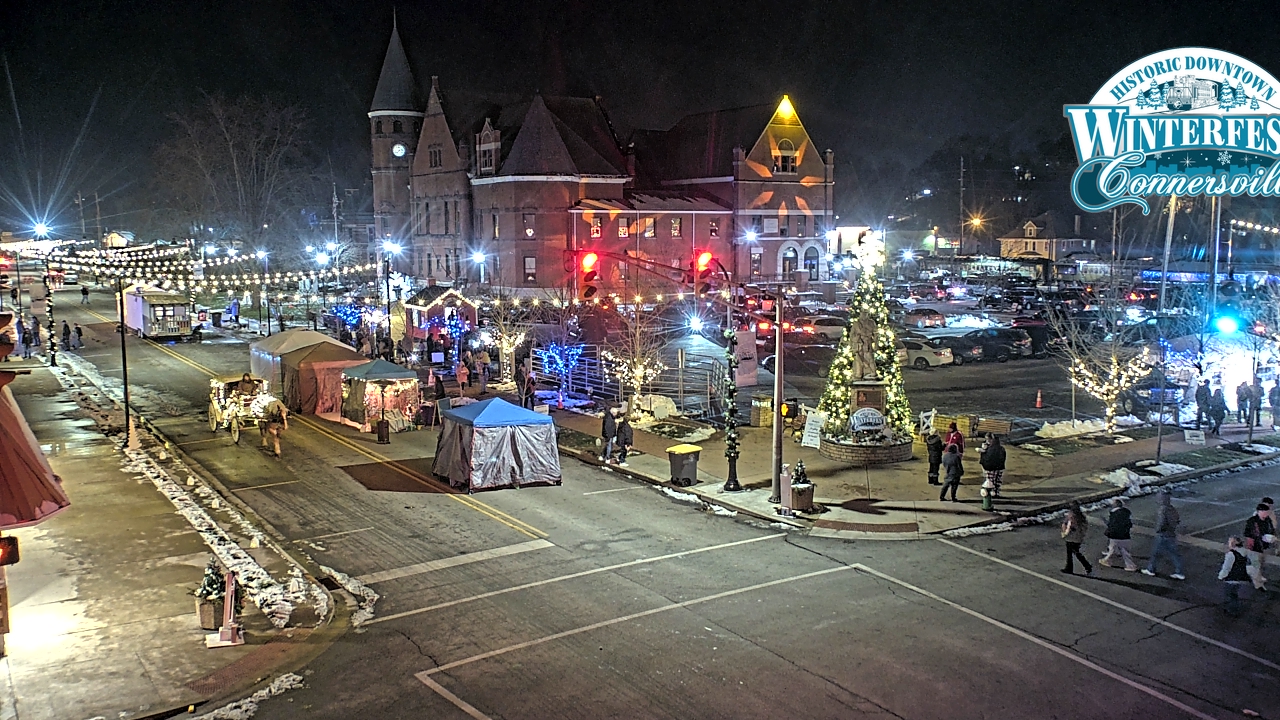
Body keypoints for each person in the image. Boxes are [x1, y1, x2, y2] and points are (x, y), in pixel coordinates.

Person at [1142, 491, 1186, 580]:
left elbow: (1161, 522)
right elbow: (1177, 520)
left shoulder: (1162, 509)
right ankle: (1180, 572)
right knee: (1174, 554)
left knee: (1156, 553)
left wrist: (1157, 530)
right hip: (1171, 534)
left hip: (1163, 534)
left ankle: (1151, 569)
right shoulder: (1172, 509)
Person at [1099, 497, 1138, 571]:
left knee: (1112, 549)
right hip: (1125, 535)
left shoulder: (1114, 515)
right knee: (1124, 551)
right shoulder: (1126, 513)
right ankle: (1131, 566)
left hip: (1115, 535)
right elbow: (1129, 524)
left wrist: (1104, 521)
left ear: (1115, 505)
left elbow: (1111, 525)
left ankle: (1107, 561)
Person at [1243, 502, 1275, 592]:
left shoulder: (1267, 520)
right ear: (1259, 511)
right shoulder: (1252, 521)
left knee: (1261, 563)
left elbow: (1271, 529)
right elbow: (1247, 533)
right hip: (1255, 547)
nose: (1266, 514)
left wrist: (1271, 536)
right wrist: (1261, 537)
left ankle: (1256, 575)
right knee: (1256, 565)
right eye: (1265, 512)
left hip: (1264, 546)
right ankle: (1258, 584)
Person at [1219, 536, 1253, 616]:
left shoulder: (1231, 554)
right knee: (1234, 594)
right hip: (1241, 576)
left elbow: (1226, 567)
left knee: (1230, 594)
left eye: (1229, 542)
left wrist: (1221, 576)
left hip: (1232, 578)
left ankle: (1232, 610)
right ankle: (1233, 608)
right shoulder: (1244, 552)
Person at [1060, 501, 1095, 576]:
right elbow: (1084, 527)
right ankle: (1085, 566)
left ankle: (1072, 567)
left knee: (1072, 553)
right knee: (1076, 552)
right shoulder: (1081, 516)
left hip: (1071, 537)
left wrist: (1065, 533)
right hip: (1078, 538)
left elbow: (1069, 526)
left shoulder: (1072, 516)